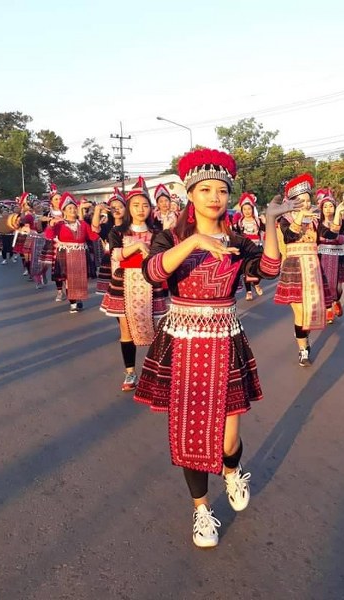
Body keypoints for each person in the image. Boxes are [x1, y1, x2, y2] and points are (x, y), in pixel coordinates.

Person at [133, 148, 292, 548]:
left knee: (226, 441)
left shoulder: (237, 241)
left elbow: (269, 269)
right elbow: (152, 272)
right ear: (190, 194)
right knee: (190, 433)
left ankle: (232, 470)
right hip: (183, 342)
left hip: (225, 338)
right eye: (205, 189)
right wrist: (194, 242)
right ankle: (201, 510)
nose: (214, 197)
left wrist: (272, 222)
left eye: (221, 190)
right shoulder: (170, 238)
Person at [100, 179, 168, 391]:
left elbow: (161, 257)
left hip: (150, 284)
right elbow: (116, 254)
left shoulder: (157, 232)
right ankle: (130, 371)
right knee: (126, 330)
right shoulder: (117, 231)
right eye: (136, 205)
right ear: (129, 207)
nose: (141, 209)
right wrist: (138, 245)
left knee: (155, 329)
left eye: (145, 205)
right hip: (124, 284)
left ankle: (157, 370)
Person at [274, 173, 331, 366]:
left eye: (308, 200)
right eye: (301, 201)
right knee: (300, 312)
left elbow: (329, 234)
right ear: (292, 202)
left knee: (310, 310)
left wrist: (336, 217)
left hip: (313, 268)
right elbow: (289, 237)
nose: (306, 204)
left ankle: (304, 339)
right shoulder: (285, 219)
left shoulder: (314, 219)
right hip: (294, 268)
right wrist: (299, 218)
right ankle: (303, 349)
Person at [43, 192, 101, 313]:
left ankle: (78, 298)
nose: (73, 210)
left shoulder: (83, 224)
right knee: (69, 280)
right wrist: (51, 225)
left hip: (81, 253)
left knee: (80, 278)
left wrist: (97, 223)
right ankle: (73, 302)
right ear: (64, 210)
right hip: (66, 253)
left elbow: (93, 236)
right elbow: (49, 235)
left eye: (74, 208)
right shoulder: (59, 224)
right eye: (69, 208)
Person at [316, 188, 344, 323]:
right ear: (321, 209)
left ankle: (336, 300)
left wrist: (339, 238)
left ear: (335, 208)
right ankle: (328, 309)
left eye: (331, 206)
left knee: (338, 288)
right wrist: (335, 236)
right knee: (326, 285)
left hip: (338, 255)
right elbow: (326, 235)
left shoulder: (342, 222)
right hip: (323, 256)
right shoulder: (318, 223)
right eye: (325, 206)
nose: (328, 209)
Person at [92, 188, 127, 295]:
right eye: (113, 208)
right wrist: (97, 210)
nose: (117, 210)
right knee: (114, 292)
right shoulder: (107, 226)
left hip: (127, 258)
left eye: (120, 207)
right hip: (110, 261)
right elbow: (95, 228)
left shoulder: (130, 226)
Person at [232, 192, 265, 300]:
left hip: (257, 248)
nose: (247, 211)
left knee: (257, 269)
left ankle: (256, 284)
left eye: (249, 209)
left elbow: (265, 229)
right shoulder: (240, 222)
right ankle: (249, 291)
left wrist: (265, 221)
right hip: (245, 249)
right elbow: (235, 234)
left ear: (252, 209)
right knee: (245, 270)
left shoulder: (257, 221)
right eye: (244, 209)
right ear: (242, 210)